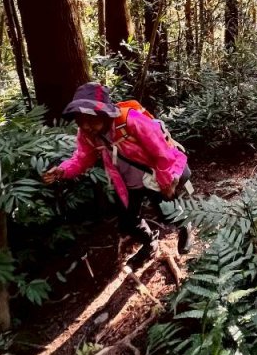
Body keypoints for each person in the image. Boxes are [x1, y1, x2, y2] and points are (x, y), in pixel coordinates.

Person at [43, 83, 192, 265]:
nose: (86, 125)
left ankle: (185, 227)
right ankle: (150, 242)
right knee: (128, 222)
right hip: (128, 183)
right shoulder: (87, 134)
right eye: (81, 120)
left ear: (104, 114)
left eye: (90, 119)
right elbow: (82, 158)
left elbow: (161, 152)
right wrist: (62, 170)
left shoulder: (132, 120)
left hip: (155, 177)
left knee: (168, 213)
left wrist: (166, 183)